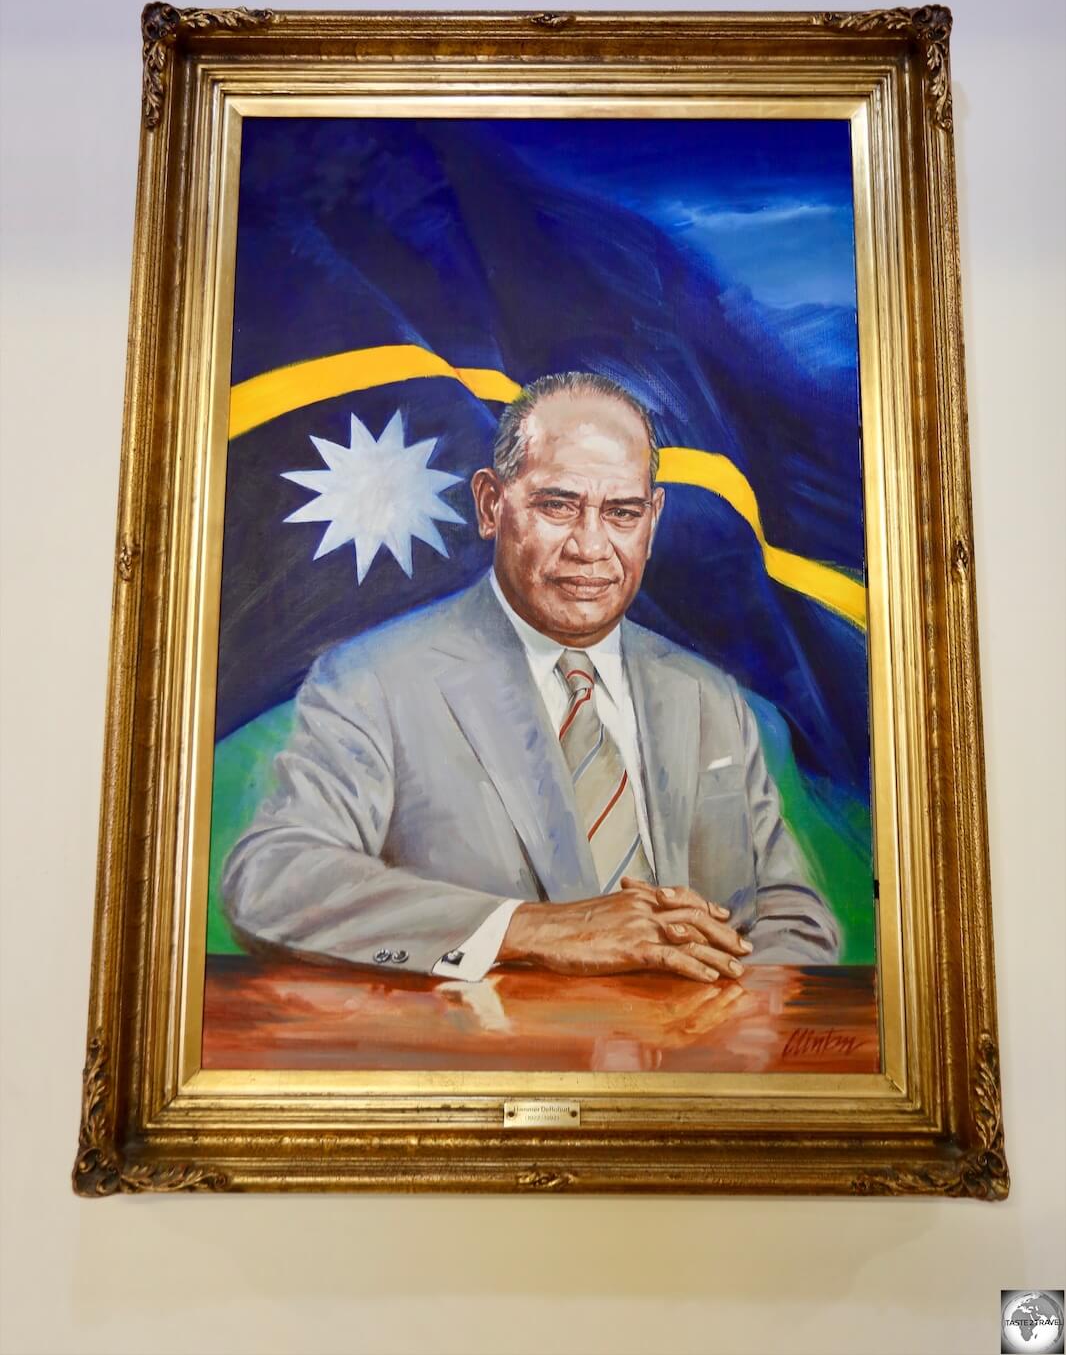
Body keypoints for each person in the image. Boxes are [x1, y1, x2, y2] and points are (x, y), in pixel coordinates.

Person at [222, 372, 839, 985]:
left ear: (652, 520)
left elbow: (795, 916)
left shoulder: (709, 698)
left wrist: (713, 1025)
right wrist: (533, 929)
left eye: (622, 512)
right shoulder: (373, 681)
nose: (591, 546)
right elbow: (272, 880)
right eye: (558, 505)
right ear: (492, 505)